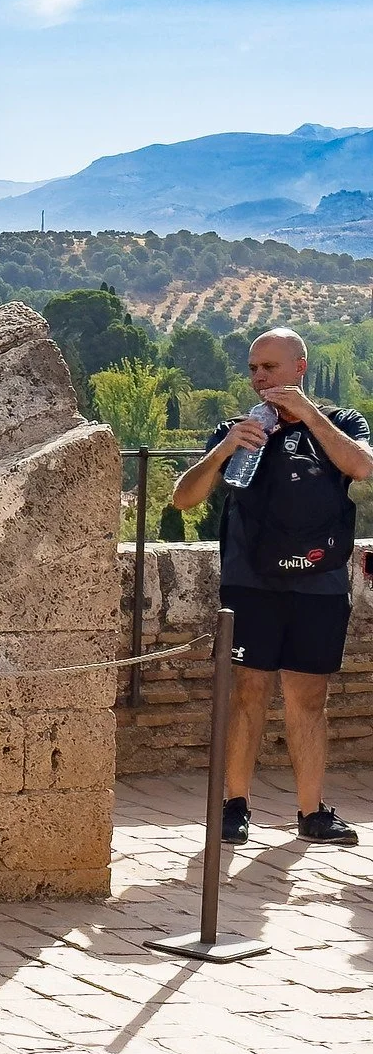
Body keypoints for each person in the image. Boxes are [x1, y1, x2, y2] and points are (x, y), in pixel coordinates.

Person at [170, 326, 369, 846]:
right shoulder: (236, 428)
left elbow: (362, 467)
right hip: (251, 581)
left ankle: (311, 813)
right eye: (254, 368)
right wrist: (221, 451)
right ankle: (235, 806)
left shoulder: (341, 421)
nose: (259, 378)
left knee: (308, 697)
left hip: (320, 578)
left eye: (270, 368)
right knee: (248, 692)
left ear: (299, 369)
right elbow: (183, 500)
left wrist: (310, 417)